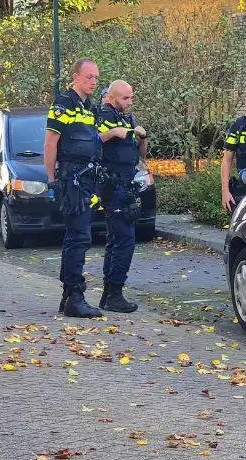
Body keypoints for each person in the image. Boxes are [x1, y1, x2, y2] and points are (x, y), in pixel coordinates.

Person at [44, 58, 104, 318]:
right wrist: (52, 179)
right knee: (79, 237)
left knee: (77, 237)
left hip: (86, 179)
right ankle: (75, 297)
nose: (93, 82)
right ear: (76, 77)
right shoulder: (64, 104)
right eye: (89, 77)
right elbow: (50, 144)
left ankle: (69, 296)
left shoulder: (89, 108)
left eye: (96, 78)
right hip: (72, 179)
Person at [95, 80, 148, 313]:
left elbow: (140, 154)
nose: (129, 102)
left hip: (127, 184)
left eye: (131, 98)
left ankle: (108, 294)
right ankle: (115, 293)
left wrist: (142, 138)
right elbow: (97, 138)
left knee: (116, 240)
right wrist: (116, 132)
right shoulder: (103, 114)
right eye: (125, 98)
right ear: (112, 97)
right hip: (112, 184)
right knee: (124, 240)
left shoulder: (129, 119)